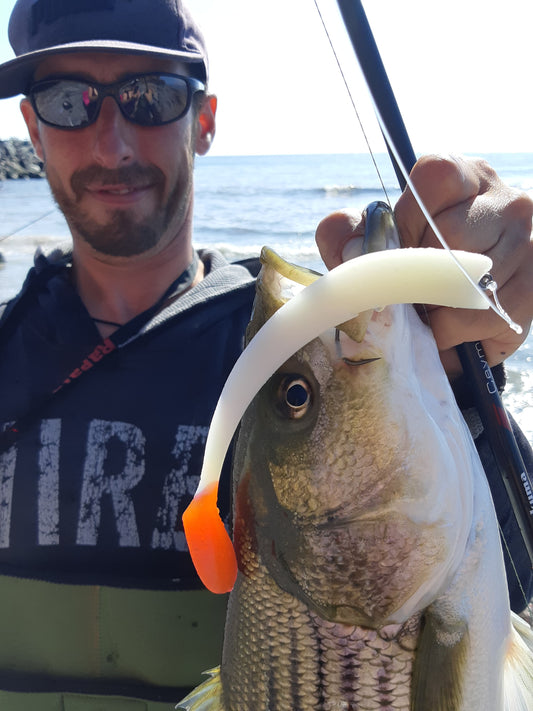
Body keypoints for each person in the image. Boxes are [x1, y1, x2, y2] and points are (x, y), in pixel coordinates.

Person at [0, 0, 531, 708]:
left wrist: (466, 357)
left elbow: (500, 568)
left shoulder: (286, 339)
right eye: (68, 101)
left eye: (150, 96)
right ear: (32, 126)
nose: (111, 144)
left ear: (206, 119)